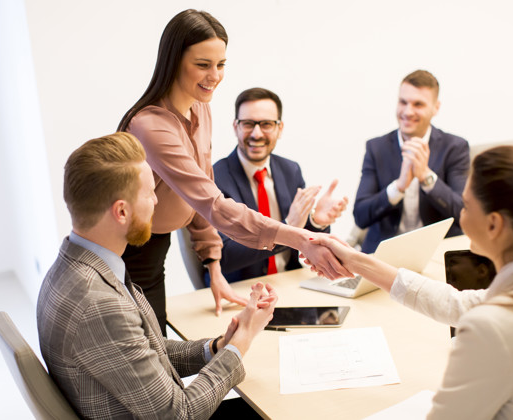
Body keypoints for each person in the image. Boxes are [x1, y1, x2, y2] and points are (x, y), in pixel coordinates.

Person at [117, 9, 349, 331]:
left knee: (156, 341)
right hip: (128, 252)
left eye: (221, 64)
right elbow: (213, 204)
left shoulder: (201, 108)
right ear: (173, 61)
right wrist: (301, 236)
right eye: (202, 65)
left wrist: (213, 267)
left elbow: (197, 196)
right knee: (146, 348)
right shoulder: (151, 126)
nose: (215, 76)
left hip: (156, 248)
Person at [309, 146, 513, 419]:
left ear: (494, 225)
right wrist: (356, 261)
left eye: (467, 205)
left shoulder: (492, 328)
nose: (461, 212)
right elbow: (456, 303)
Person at [37, 132, 276, 419]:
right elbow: (180, 414)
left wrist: (218, 347)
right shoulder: (98, 303)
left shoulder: (75, 265)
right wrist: (242, 343)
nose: (156, 202)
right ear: (121, 212)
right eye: (150, 193)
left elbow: (147, 350)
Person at [212, 87, 348, 283]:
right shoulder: (216, 178)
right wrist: (287, 228)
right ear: (236, 127)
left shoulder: (290, 170)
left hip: (289, 283)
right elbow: (223, 256)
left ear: (280, 128)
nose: (257, 134)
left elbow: (304, 239)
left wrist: (317, 222)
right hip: (240, 288)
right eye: (248, 124)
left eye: (266, 124)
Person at [353, 69, 470, 253]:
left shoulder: (455, 147)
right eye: (403, 102)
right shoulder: (376, 148)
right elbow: (361, 215)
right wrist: (398, 187)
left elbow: (463, 214)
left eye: (418, 104)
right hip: (385, 255)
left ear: (435, 108)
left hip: (437, 253)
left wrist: (426, 177)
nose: (408, 111)